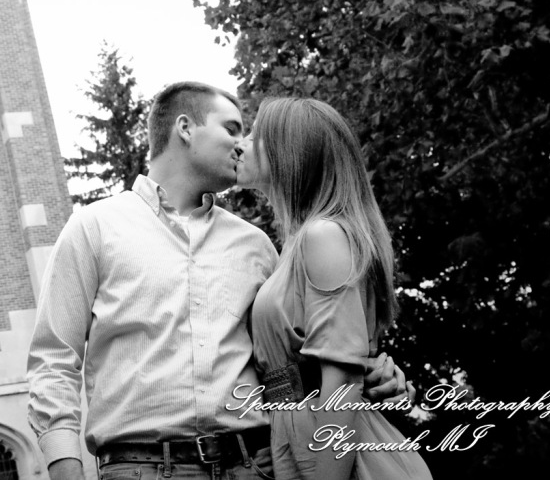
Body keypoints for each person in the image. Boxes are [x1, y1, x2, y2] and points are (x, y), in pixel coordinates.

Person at [28, 82, 409, 480]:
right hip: (139, 468)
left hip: (256, 465)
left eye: (249, 132)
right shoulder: (94, 228)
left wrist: (373, 373)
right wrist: (65, 469)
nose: (242, 143)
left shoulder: (258, 246)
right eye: (231, 128)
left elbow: (303, 352)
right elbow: (53, 358)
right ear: (186, 128)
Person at [238, 97, 432, 480]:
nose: (241, 143)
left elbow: (342, 380)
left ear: (291, 152)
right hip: (301, 436)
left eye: (255, 135)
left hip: (335, 452)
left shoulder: (323, 235)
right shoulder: (296, 243)